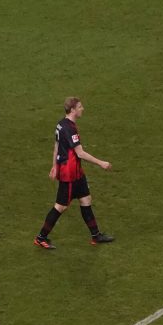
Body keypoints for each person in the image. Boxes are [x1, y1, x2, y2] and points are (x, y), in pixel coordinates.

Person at [34, 97, 114, 249]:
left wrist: (54, 165)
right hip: (69, 174)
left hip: (76, 173)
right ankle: (41, 237)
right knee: (60, 206)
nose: (82, 108)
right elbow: (80, 153)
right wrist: (101, 163)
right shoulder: (70, 128)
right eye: (80, 106)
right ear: (72, 110)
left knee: (86, 200)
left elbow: (57, 145)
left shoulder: (61, 124)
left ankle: (96, 236)